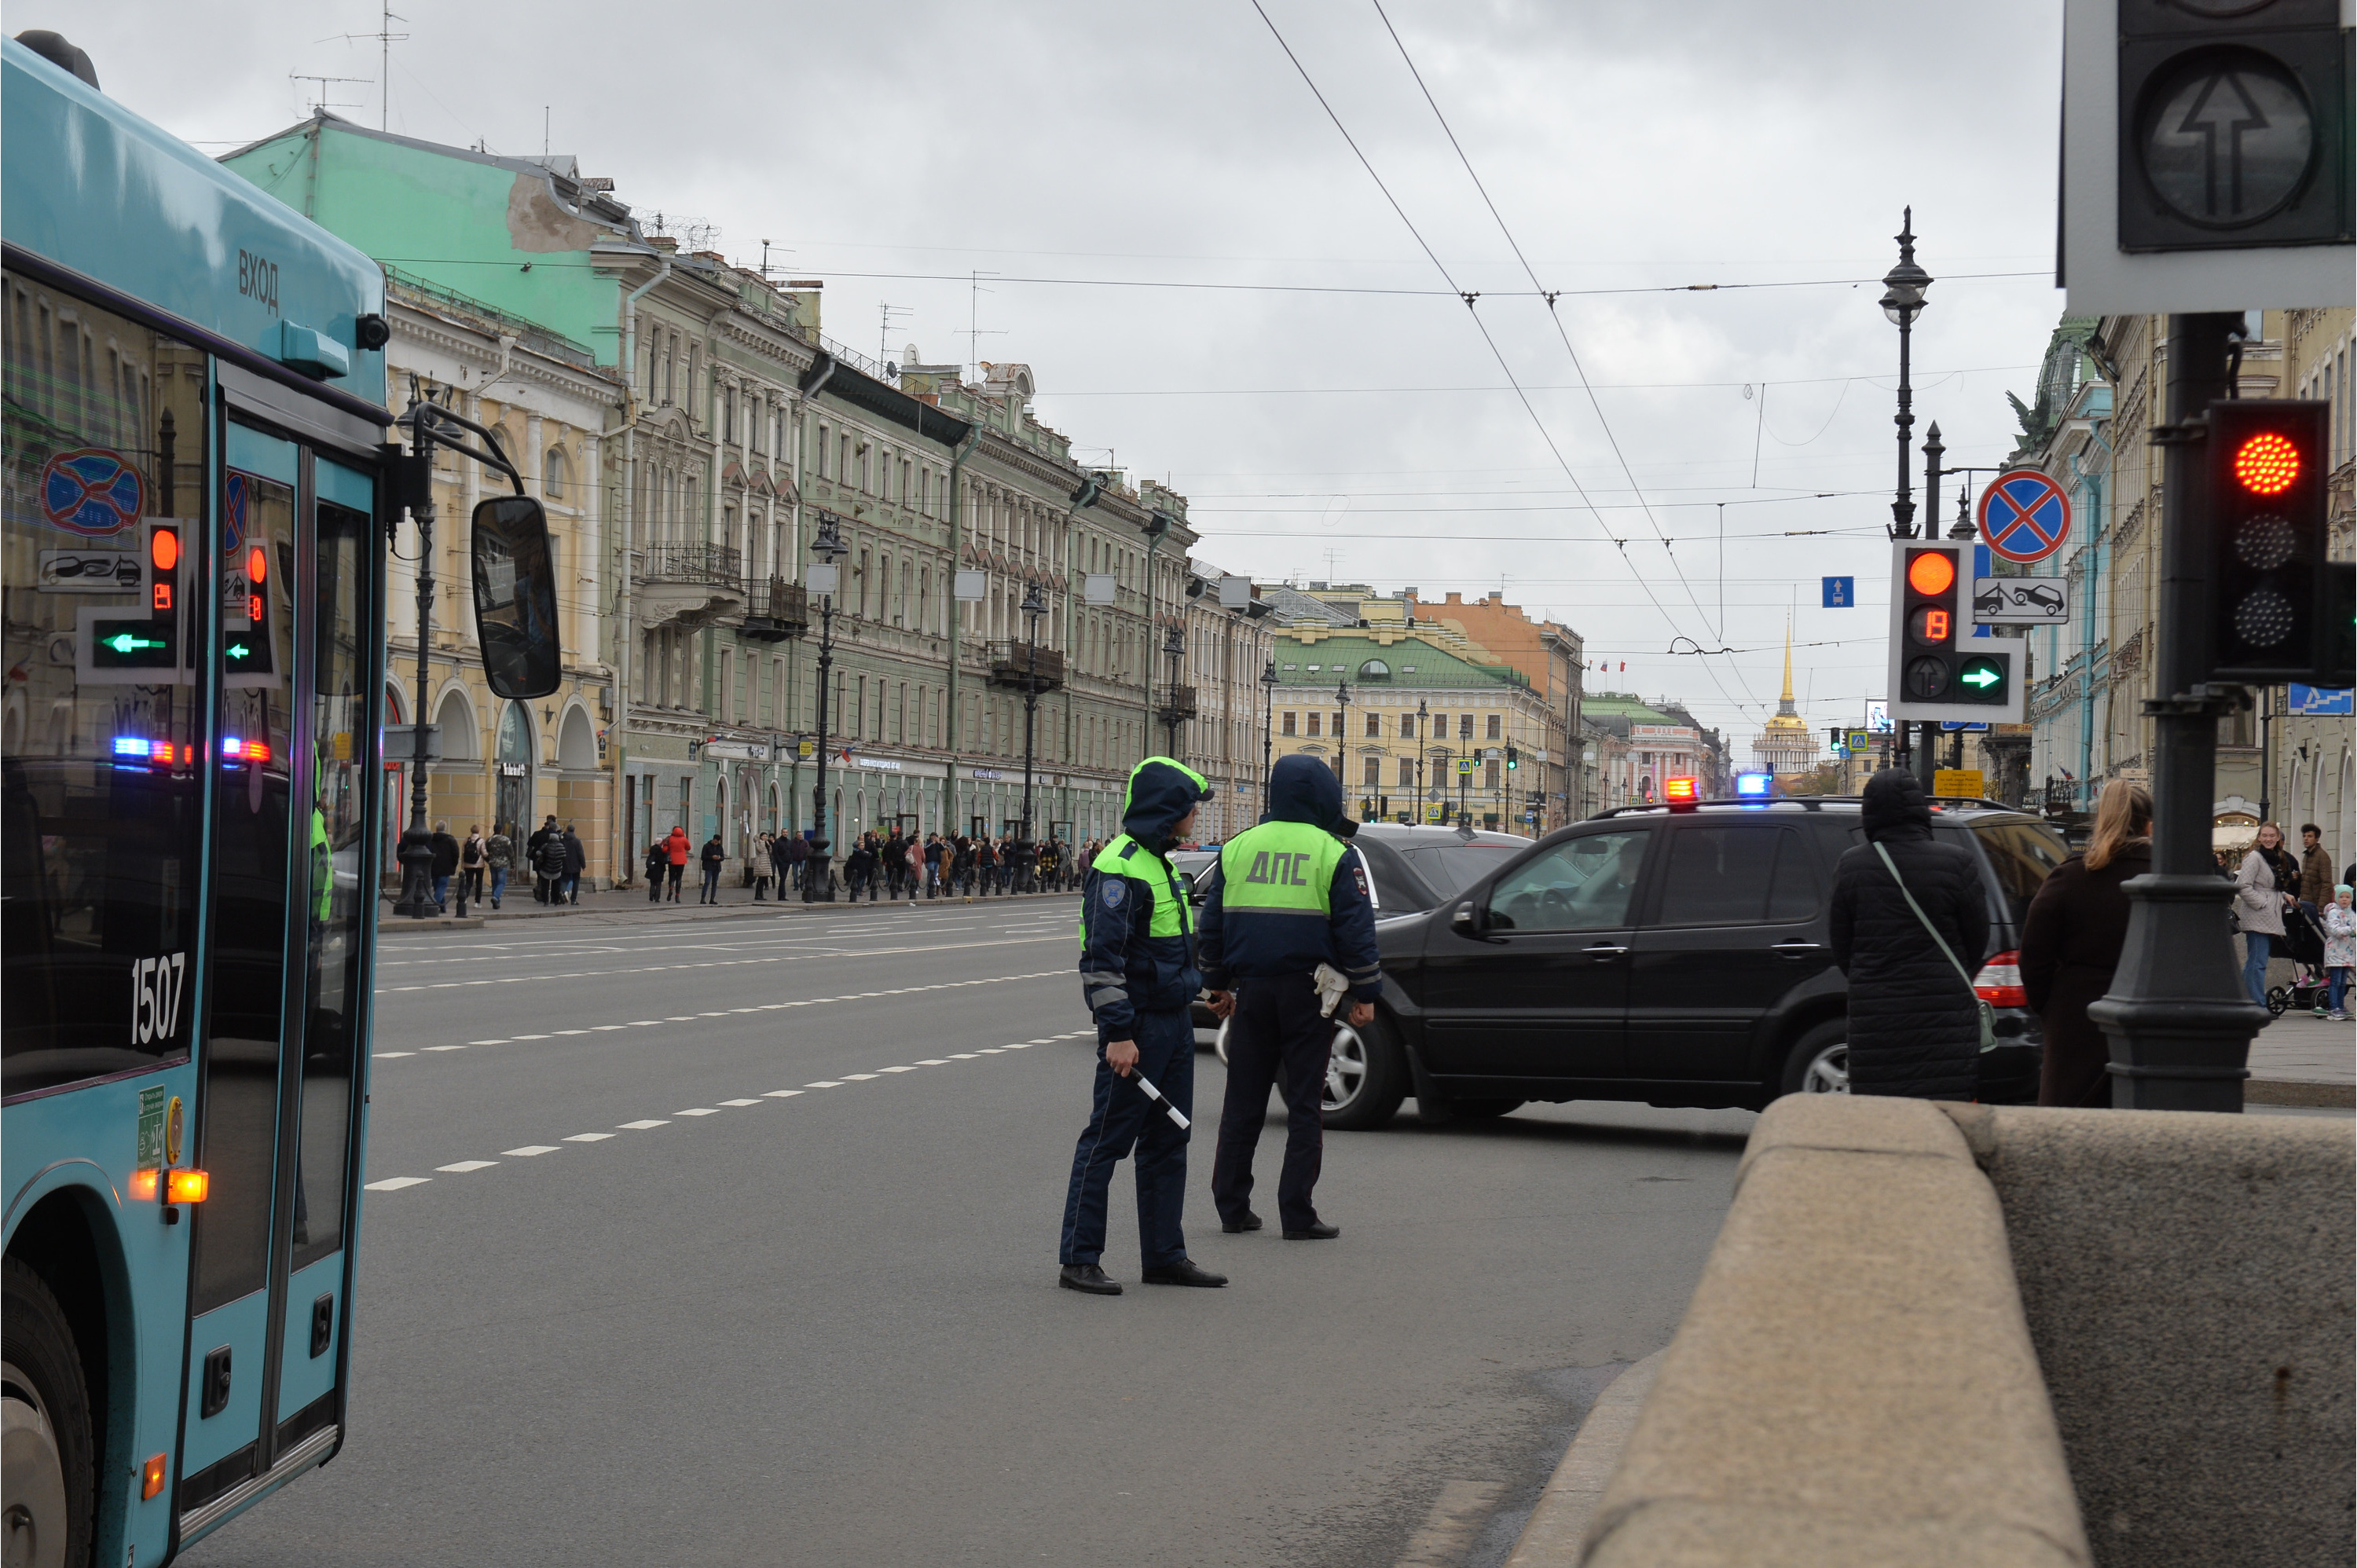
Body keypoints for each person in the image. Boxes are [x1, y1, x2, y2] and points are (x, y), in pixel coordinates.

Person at [1058, 756, 1225, 1295]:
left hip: (1173, 1023)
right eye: (1189, 807)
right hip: (1139, 1027)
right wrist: (1120, 1033)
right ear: (1166, 808)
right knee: (1106, 1141)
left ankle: (1164, 1257)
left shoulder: (1159, 863)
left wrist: (1209, 989)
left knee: (1169, 1137)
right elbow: (1103, 961)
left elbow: (1171, 950)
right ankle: (1079, 1260)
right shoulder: (1120, 867)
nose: (1195, 816)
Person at [1198, 753, 1381, 1240]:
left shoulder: (1237, 848)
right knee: (1304, 1104)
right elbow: (1356, 931)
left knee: (1243, 1102)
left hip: (1251, 992)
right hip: (1308, 993)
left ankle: (1232, 1206)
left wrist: (1216, 984)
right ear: (1324, 797)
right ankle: (1297, 1214)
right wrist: (1366, 992)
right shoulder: (1334, 852)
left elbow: (1211, 923)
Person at [1827, 769, 1990, 1101]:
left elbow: (1841, 944)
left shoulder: (1852, 865)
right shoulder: (1957, 862)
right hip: (1945, 1014)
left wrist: (1871, 976)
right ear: (1920, 809)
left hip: (1877, 1014)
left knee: (1885, 1119)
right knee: (1946, 1112)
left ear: (1869, 812)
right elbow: (1978, 937)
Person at [2019, 779, 2150, 1108]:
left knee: (2071, 1121)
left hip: (2077, 1015)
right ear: (2150, 825)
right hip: (2151, 1012)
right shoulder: (2170, 879)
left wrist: (2051, 1007)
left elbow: (2034, 956)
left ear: (2100, 822)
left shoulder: (2072, 877)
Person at [2234, 822, 2300, 1009]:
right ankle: (2256, 1003)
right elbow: (2243, 886)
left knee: (2256, 961)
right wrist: (2262, 903)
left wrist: (2283, 895)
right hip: (2258, 915)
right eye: (2265, 835)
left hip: (2268, 914)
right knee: (2258, 961)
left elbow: (2273, 886)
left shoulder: (2277, 858)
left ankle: (2245, 999)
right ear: (2259, 838)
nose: (2268, 839)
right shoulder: (2254, 858)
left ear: (2278, 837)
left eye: (2272, 835)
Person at [2322, 885, 2354, 1023]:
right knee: (2335, 981)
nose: (2344, 900)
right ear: (2336, 898)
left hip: (2348, 952)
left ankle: (2340, 1006)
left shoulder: (2352, 914)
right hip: (2336, 952)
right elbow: (2334, 930)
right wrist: (2350, 930)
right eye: (2341, 897)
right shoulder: (2334, 913)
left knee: (2343, 982)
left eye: (2347, 897)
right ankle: (2334, 1007)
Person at [2298, 824, 2332, 915]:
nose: (2306, 839)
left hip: (2315, 905)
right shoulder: (2306, 855)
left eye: (2310, 836)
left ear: (2317, 839)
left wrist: (2321, 908)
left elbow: (2327, 883)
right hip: (2304, 903)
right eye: (2304, 836)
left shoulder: (2322, 856)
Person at [428, 820, 460, 910]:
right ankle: (434, 905)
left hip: (434, 866)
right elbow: (455, 853)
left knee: (437, 887)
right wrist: (454, 864)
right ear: (445, 829)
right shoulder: (450, 839)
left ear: (436, 828)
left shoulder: (431, 839)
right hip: (446, 867)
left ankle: (443, 907)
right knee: (442, 887)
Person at [527, 815, 559, 903]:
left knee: (541, 877)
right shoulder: (553, 836)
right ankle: (544, 894)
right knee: (550, 879)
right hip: (550, 860)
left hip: (537, 860)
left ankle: (540, 892)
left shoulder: (537, 834)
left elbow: (529, 843)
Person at [485, 826, 511, 910]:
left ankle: (496, 903)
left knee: (494, 883)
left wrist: (488, 860)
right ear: (501, 830)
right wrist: (513, 864)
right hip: (502, 864)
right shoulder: (506, 840)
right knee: (501, 883)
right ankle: (496, 897)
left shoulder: (489, 840)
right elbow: (511, 853)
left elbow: (485, 852)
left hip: (492, 864)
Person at [461, 825, 487, 905]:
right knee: (479, 883)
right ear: (478, 831)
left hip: (468, 865)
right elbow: (484, 853)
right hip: (479, 865)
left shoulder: (466, 840)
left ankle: (464, 898)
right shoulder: (481, 841)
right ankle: (477, 902)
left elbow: (463, 853)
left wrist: (463, 865)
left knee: (469, 882)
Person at [560, 823, 585, 905]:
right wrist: (583, 865)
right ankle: (573, 900)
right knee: (576, 882)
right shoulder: (577, 841)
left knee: (564, 880)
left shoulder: (562, 841)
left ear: (567, 830)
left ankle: (563, 892)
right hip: (576, 865)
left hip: (565, 863)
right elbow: (581, 854)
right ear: (574, 831)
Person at [699, 831, 726, 904]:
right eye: (715, 841)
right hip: (708, 867)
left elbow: (723, 857)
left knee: (715, 883)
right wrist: (712, 857)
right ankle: (703, 898)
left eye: (717, 842)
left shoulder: (720, 847)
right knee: (707, 882)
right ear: (713, 840)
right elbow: (703, 857)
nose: (716, 843)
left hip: (716, 867)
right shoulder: (706, 846)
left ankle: (712, 899)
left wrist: (719, 858)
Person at [664, 825, 689, 903]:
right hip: (681, 861)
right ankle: (677, 896)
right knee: (679, 878)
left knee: (672, 877)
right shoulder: (684, 839)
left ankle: (671, 888)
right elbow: (688, 848)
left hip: (672, 860)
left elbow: (664, 850)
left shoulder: (670, 839)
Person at [645, 839, 668, 903]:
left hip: (652, 869)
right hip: (660, 869)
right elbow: (663, 861)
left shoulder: (652, 849)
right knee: (658, 884)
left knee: (652, 883)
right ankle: (657, 898)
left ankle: (651, 896)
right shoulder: (661, 851)